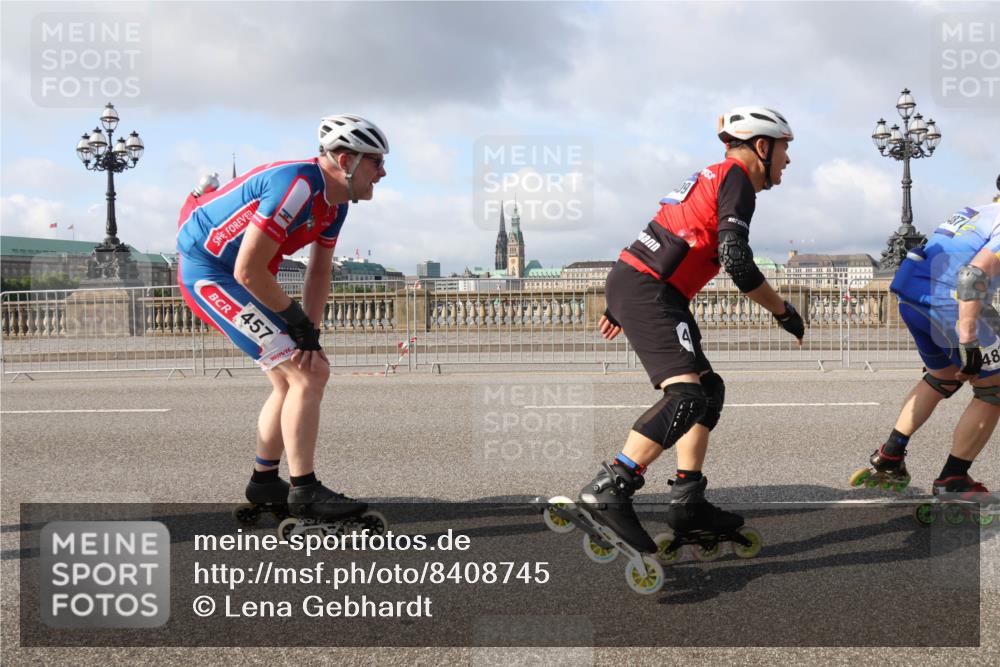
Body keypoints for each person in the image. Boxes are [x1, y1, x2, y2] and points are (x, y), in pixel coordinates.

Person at [580, 107, 804, 552]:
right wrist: (782, 311)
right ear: (763, 146)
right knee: (686, 396)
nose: (787, 161)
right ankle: (612, 488)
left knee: (707, 390)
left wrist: (619, 299)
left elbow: (668, 232)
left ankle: (687, 499)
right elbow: (736, 260)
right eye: (784, 150)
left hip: (646, 284)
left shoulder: (714, 175)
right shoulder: (737, 180)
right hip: (651, 288)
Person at [175, 114, 389, 524]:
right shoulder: (298, 186)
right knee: (308, 377)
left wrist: (311, 334)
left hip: (239, 271)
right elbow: (247, 272)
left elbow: (319, 271)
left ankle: (265, 481)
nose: (383, 172)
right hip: (210, 274)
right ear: (345, 160)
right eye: (376, 162)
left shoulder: (336, 203)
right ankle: (304, 489)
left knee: (294, 374)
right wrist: (299, 326)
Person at [853, 189, 1000, 503]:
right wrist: (968, 338)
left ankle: (891, 455)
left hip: (911, 293)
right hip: (947, 299)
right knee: (994, 388)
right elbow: (972, 275)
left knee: (943, 375)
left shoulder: (979, 211)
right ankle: (954, 478)